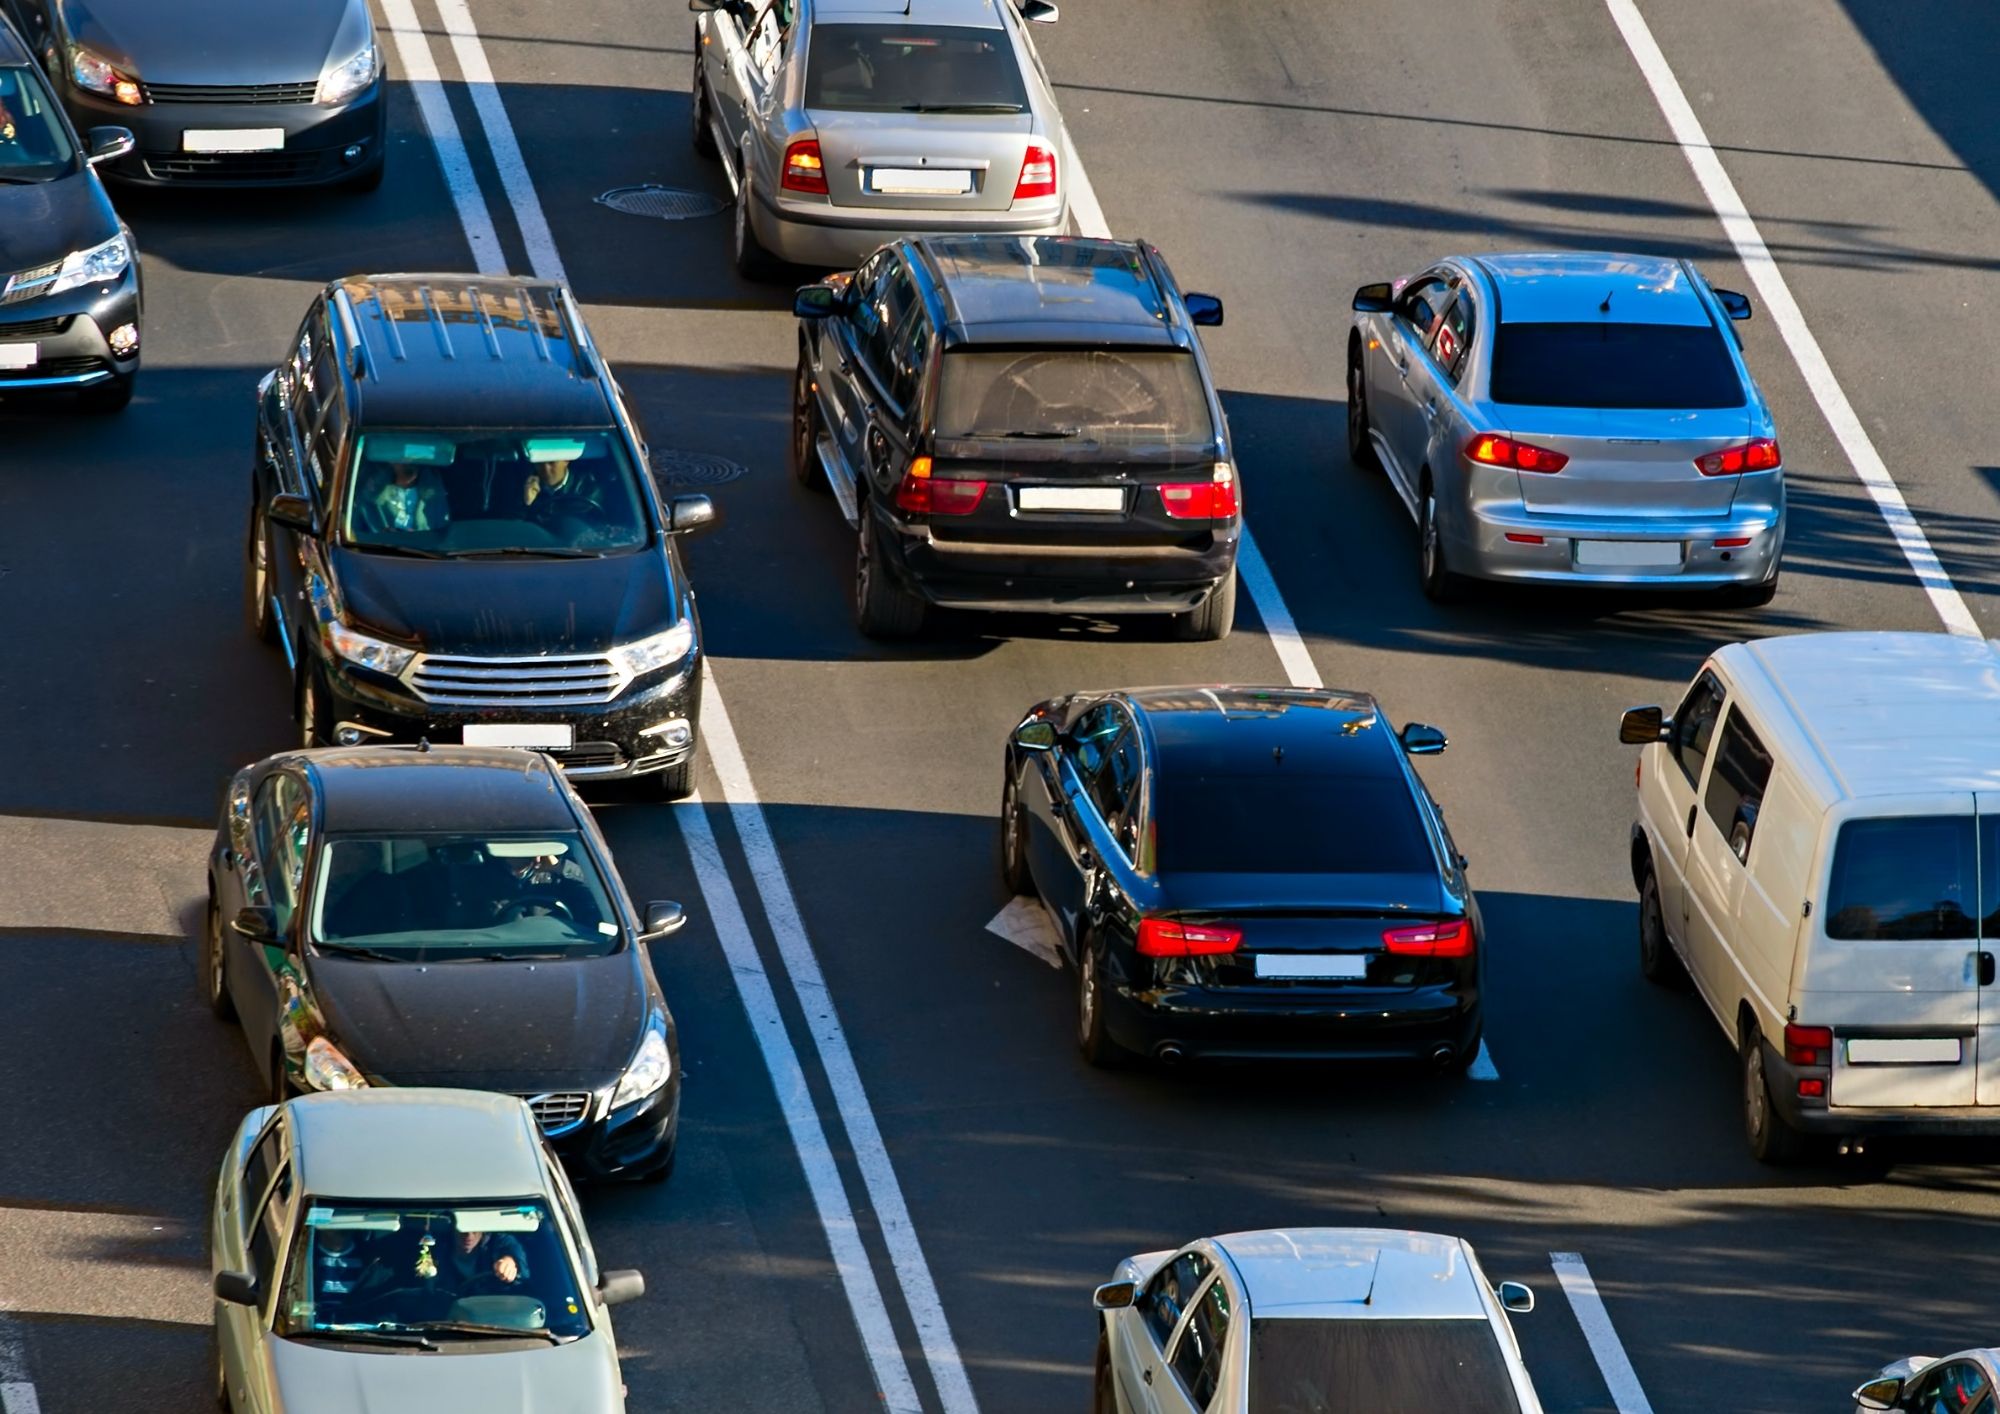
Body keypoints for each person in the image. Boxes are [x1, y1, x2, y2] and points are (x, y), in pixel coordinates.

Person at [358, 460, 449, 534]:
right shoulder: (369, 502)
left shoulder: (436, 499)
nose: (407, 461)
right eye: (400, 458)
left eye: (412, 460)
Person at [446, 1227, 530, 1297]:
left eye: (475, 1227)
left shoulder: (497, 1241)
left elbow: (512, 1249)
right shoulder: (438, 1249)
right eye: (462, 1228)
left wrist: (511, 1261)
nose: (469, 1234)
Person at [520, 458, 604, 526]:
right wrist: (527, 503)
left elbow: (584, 526)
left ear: (566, 460)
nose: (545, 469)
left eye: (551, 462)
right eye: (539, 463)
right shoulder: (525, 485)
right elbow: (517, 525)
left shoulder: (588, 489)